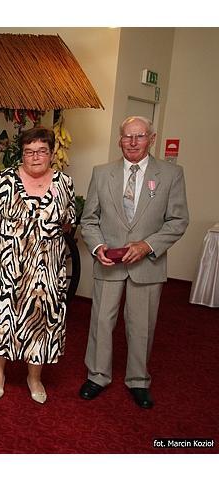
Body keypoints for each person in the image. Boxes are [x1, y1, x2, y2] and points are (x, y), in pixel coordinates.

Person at [79, 116, 189, 409]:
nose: (133, 142)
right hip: (109, 263)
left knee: (142, 325)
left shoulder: (171, 174)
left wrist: (147, 245)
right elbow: (89, 219)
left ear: (152, 139)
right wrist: (98, 247)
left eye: (139, 136)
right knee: (101, 321)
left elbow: (178, 220)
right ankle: (97, 375)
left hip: (148, 264)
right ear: (120, 139)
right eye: (127, 136)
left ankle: (138, 380)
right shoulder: (102, 173)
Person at [0, 127, 75, 404]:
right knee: (2, 316)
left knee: (42, 319)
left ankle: (34, 377)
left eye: (42, 151)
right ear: (21, 154)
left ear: (51, 153)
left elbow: (67, 221)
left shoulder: (64, 183)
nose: (35, 156)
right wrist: (16, 234)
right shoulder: (4, 179)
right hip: (8, 264)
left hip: (47, 267)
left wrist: (42, 237)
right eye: (29, 151)